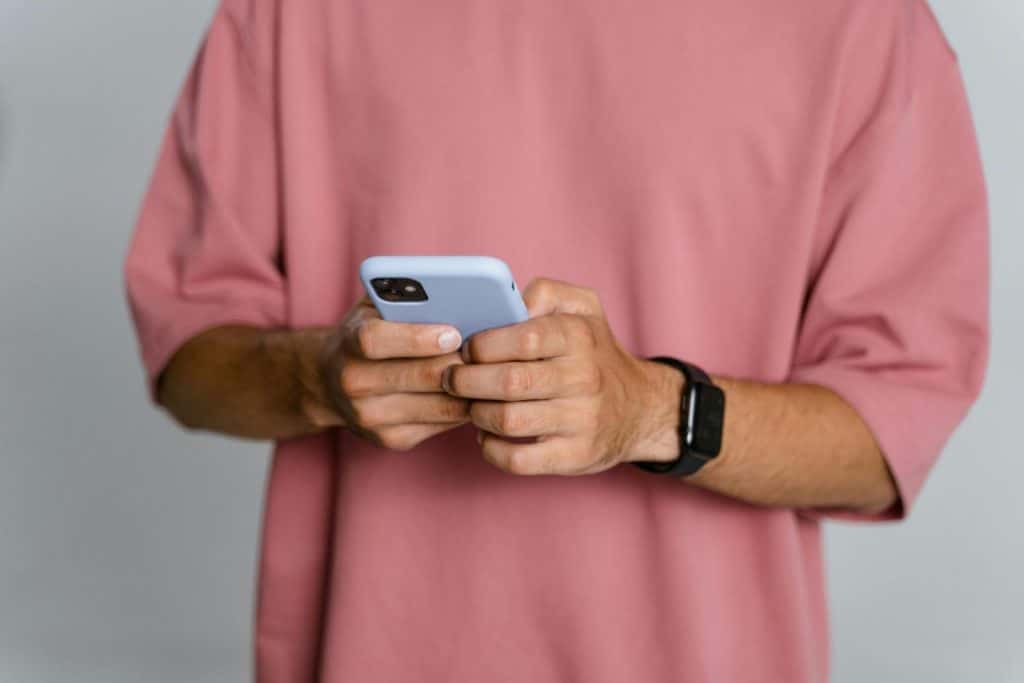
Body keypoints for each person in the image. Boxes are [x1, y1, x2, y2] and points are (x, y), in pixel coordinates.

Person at [123, 0, 989, 680]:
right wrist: (318, 377)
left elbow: (884, 442)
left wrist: (653, 411)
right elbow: (188, 354)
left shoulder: (867, 23)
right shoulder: (290, 8)